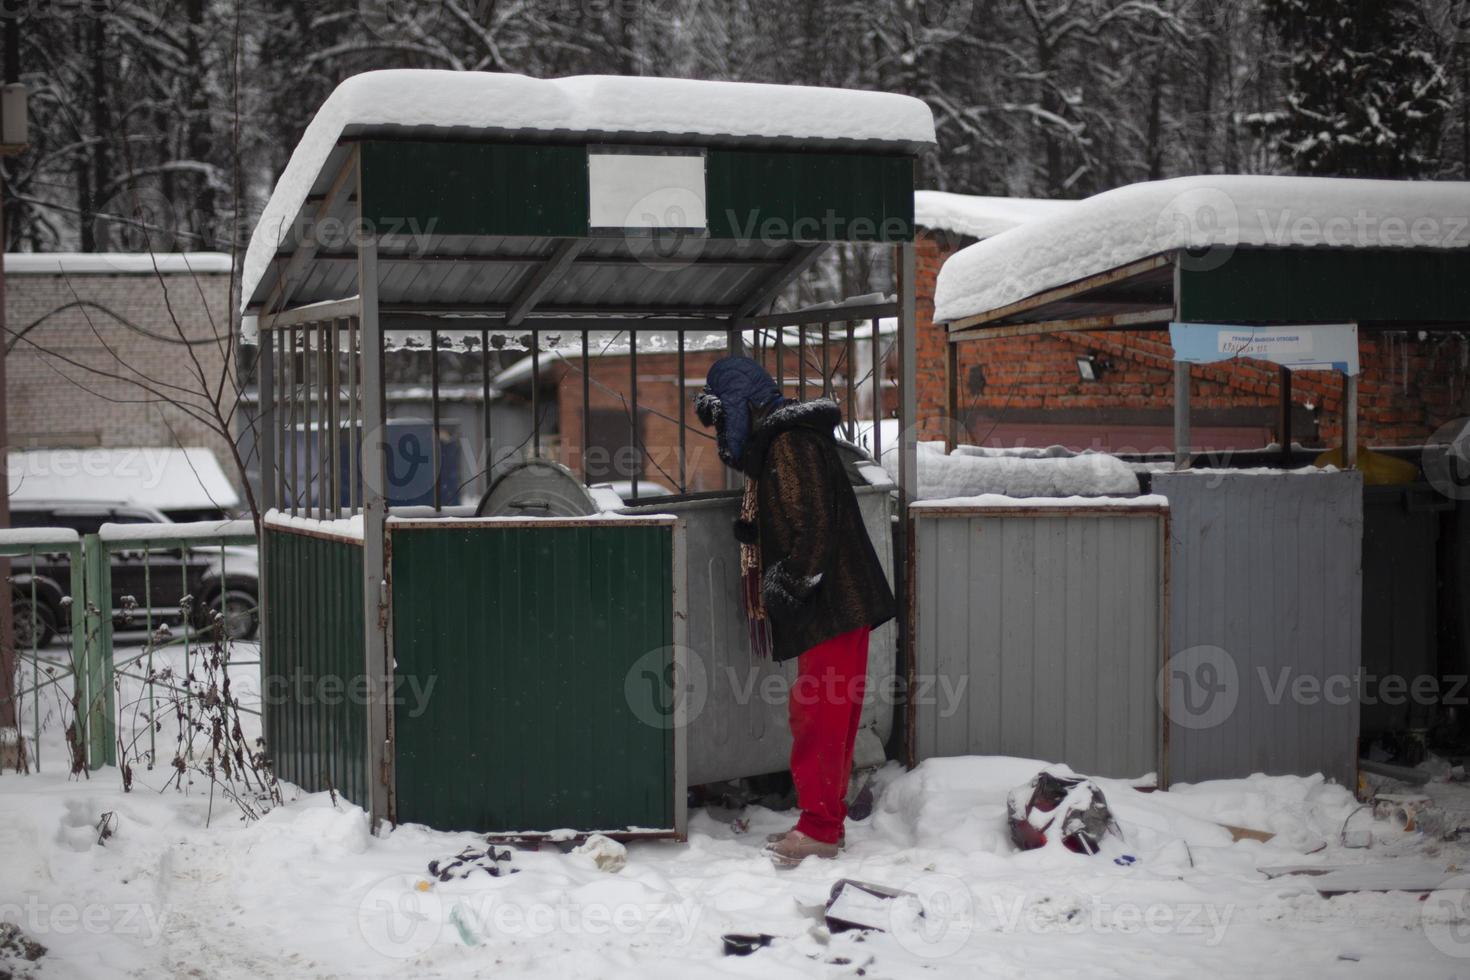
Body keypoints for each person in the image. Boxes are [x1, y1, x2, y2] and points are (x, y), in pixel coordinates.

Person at [694, 355, 896, 867]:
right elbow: (799, 514)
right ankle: (824, 819)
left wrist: (791, 584)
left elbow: (814, 525)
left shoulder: (789, 443)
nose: (722, 428)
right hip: (840, 601)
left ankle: (819, 829)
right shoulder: (792, 439)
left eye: (723, 415)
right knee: (831, 713)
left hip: (830, 602)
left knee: (818, 716)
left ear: (742, 407)